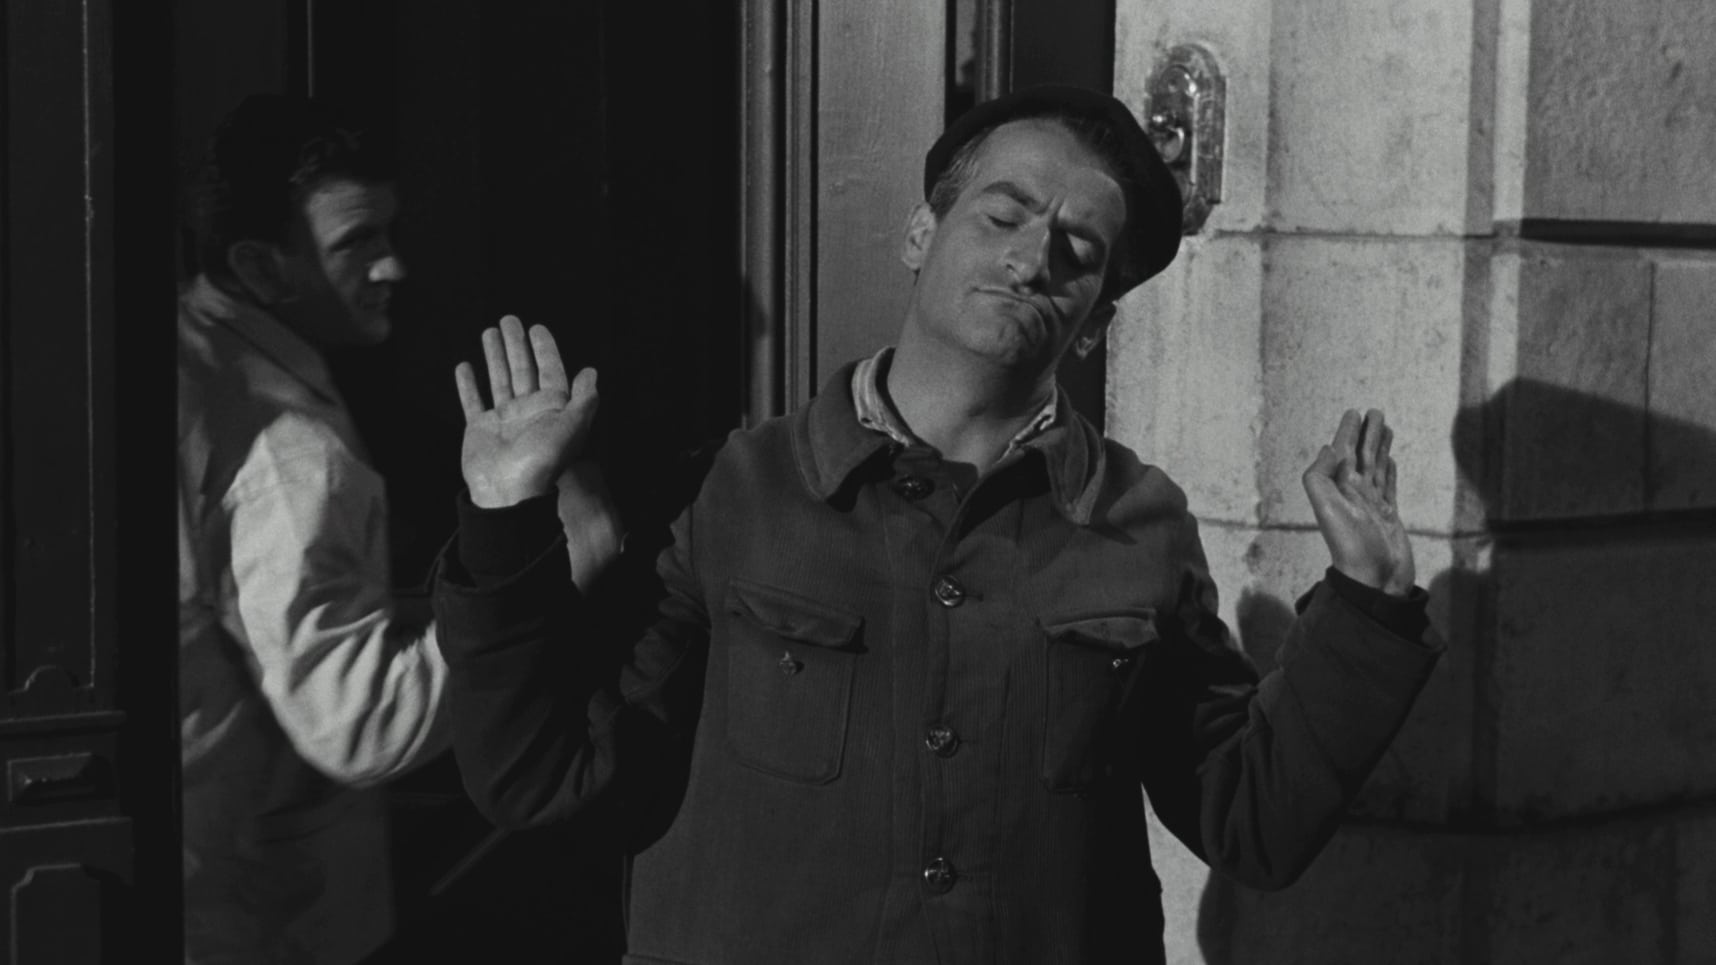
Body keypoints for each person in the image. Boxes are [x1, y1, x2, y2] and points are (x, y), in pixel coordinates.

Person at [432, 85, 1443, 964]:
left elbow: (1255, 820)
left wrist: (1369, 605)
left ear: (1094, 320)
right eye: (1003, 215)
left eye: (1078, 251)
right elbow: (542, 777)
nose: (1032, 258)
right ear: (920, 233)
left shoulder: (1140, 524)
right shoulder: (735, 493)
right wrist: (502, 518)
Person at [177, 94, 450, 965]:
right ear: (259, 265)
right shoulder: (292, 455)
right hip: (263, 918)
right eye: (357, 242)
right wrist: (539, 597)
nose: (394, 266)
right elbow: (362, 724)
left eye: (390, 231)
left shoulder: (184, 348)